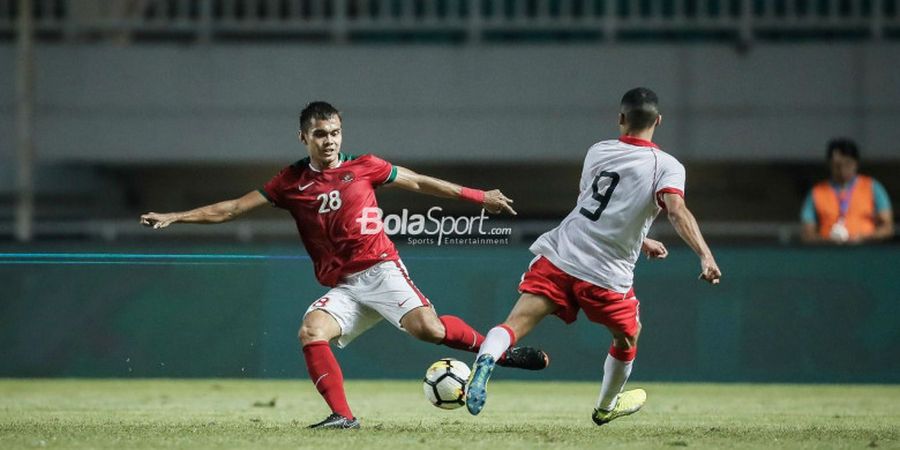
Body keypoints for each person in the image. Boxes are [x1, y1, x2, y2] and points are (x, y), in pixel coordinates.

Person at [140, 101, 549, 429]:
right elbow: (230, 209)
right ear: (303, 138)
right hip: (345, 286)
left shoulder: (365, 166)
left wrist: (481, 197)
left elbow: (420, 182)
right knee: (311, 331)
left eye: (335, 132)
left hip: (381, 269)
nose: (329, 140)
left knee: (430, 330)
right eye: (320, 134)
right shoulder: (289, 182)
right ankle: (343, 417)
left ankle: (498, 355)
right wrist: (175, 217)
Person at [464, 88, 722, 425]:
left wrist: (641, 239)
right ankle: (605, 406)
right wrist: (705, 254)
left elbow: (595, 205)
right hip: (606, 273)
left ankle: (486, 361)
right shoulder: (668, 166)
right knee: (628, 336)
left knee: (515, 324)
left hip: (561, 253)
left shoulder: (598, 150)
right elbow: (676, 211)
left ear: (620, 118)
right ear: (658, 121)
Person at [800, 138, 893, 244]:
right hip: (828, 253)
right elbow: (807, 234)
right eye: (837, 165)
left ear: (856, 163)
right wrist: (828, 242)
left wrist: (863, 238)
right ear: (829, 164)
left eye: (847, 164)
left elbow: (887, 228)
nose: (842, 169)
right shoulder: (816, 192)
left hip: (865, 252)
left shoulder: (872, 187)